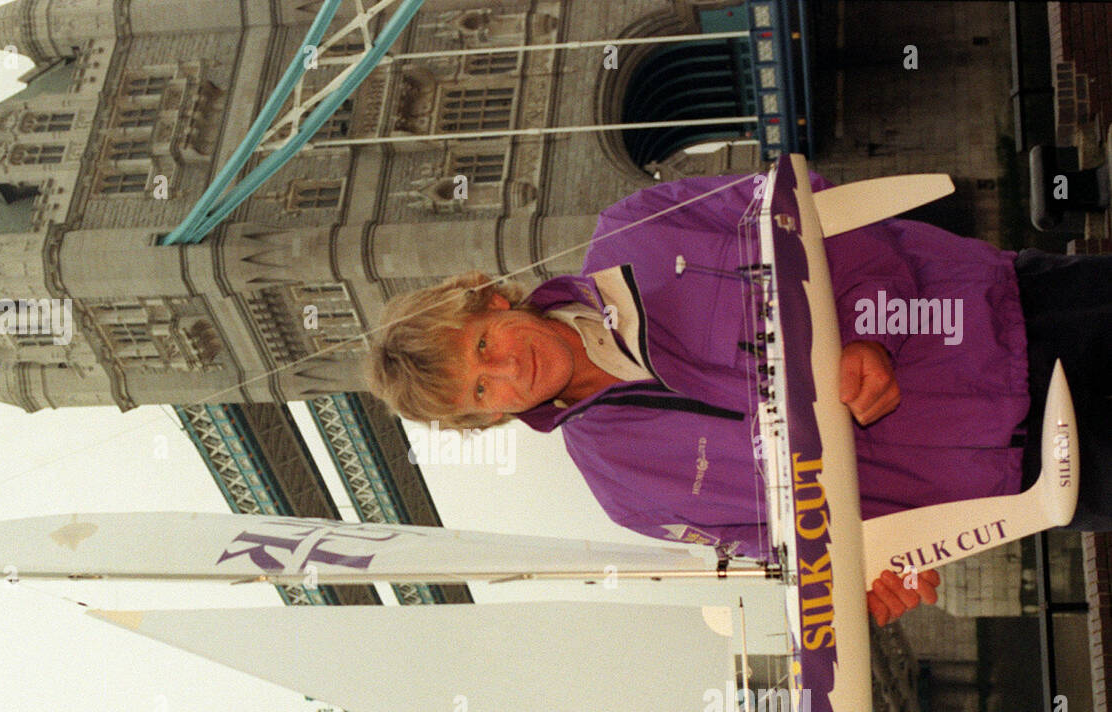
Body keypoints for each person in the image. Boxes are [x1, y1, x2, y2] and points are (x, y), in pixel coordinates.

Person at [365, 170, 1112, 625]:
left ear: (491, 300)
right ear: (488, 416)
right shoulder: (626, 494)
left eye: (483, 348)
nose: (509, 372)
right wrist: (868, 579)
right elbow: (796, 548)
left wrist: (864, 331)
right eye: (483, 389)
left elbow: (812, 211)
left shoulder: (635, 228)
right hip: (1028, 477)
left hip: (1014, 321)